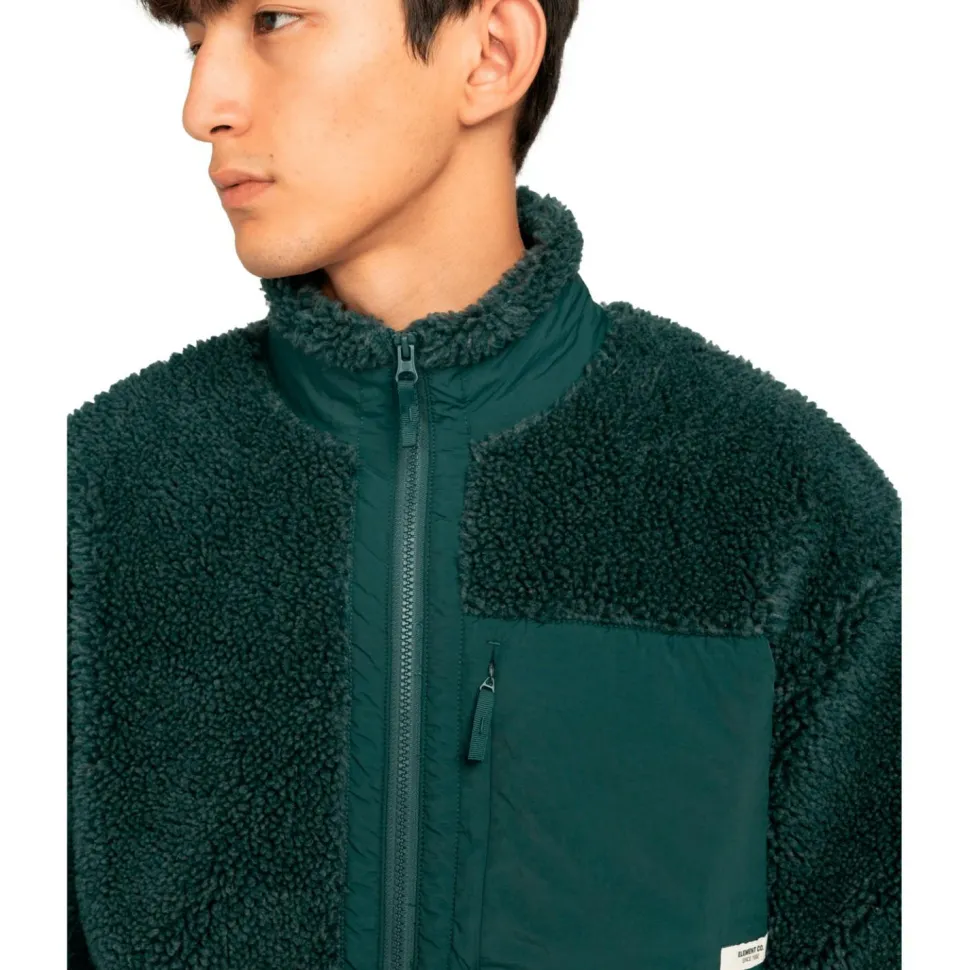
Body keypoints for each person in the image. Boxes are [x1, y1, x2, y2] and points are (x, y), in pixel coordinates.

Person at [67, 2, 901, 969]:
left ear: (492, 52)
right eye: (194, 40)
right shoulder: (93, 498)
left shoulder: (784, 508)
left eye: (275, 19)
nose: (201, 105)